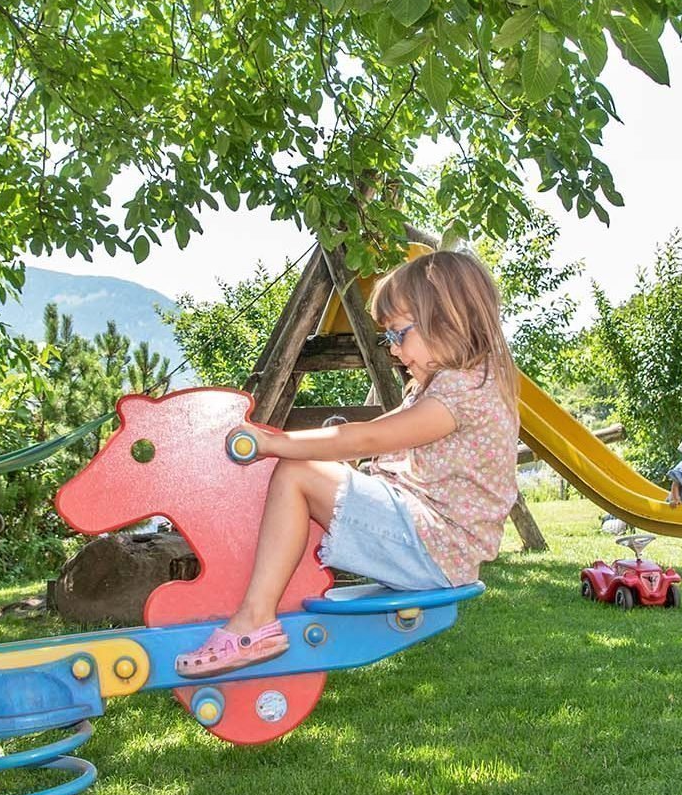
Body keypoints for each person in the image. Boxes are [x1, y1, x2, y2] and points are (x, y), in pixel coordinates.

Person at [176, 250, 520, 679]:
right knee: (304, 473)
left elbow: (367, 437)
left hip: (434, 547)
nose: (394, 350)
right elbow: (378, 429)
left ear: (446, 320)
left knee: (297, 474)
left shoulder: (464, 389)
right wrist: (293, 445)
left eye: (399, 333)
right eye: (389, 338)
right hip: (432, 542)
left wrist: (273, 443)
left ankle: (254, 623)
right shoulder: (451, 384)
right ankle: (261, 599)